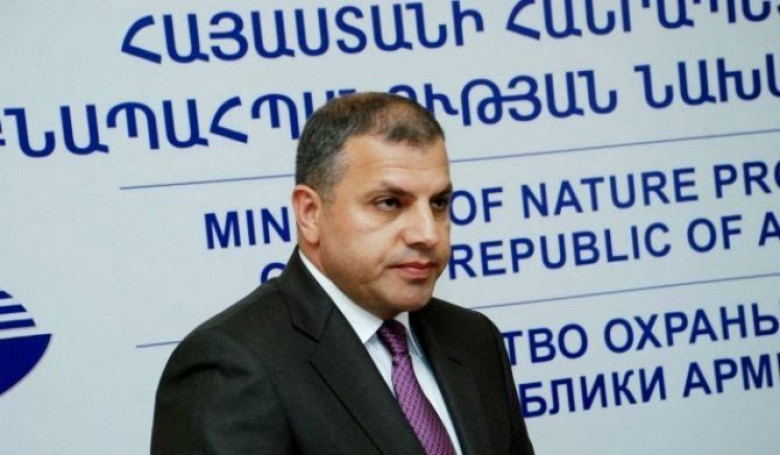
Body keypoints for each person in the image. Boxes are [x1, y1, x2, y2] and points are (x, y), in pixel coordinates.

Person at [151, 92, 535, 454]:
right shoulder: (233, 366)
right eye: (389, 203)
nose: (428, 233)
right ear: (310, 214)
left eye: (439, 203)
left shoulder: (473, 338)